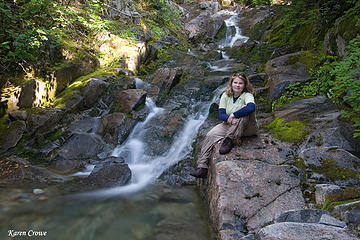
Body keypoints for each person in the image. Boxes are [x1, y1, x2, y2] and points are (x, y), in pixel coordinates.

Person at [190, 73, 257, 178]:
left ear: (244, 85)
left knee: (244, 109)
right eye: (235, 82)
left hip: (247, 126)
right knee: (211, 135)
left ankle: (229, 140)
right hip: (230, 124)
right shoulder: (226, 95)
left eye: (240, 83)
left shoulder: (247, 95)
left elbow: (251, 107)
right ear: (231, 84)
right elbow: (221, 114)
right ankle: (202, 167)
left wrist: (234, 114)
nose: (237, 85)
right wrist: (229, 119)